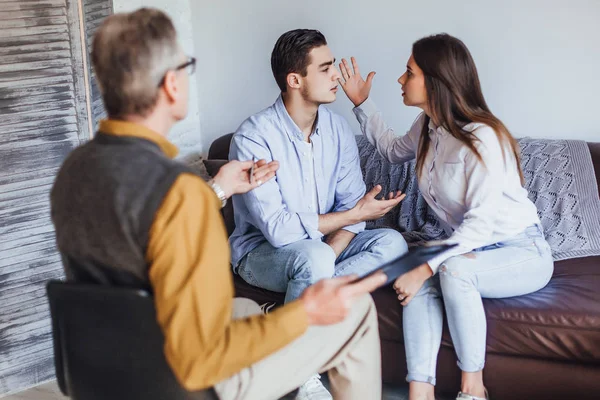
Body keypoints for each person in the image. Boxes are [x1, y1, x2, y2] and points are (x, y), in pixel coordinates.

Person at [50, 9, 388, 400]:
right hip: (188, 380)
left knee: (243, 307)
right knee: (358, 311)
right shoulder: (181, 193)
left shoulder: (73, 171)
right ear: (171, 86)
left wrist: (218, 191)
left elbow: (139, 247)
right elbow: (205, 355)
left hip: (103, 371)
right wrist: (304, 314)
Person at [338, 34, 554, 400]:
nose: (400, 80)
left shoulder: (484, 138)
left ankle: (473, 389)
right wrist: (361, 102)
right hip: (468, 248)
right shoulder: (426, 126)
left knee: (449, 270)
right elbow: (391, 151)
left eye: (409, 73)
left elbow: (480, 226)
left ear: (436, 81)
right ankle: (419, 392)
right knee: (426, 275)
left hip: (519, 249)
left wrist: (426, 267)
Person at [229, 28, 408, 307]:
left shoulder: (338, 128)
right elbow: (278, 230)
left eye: (333, 66)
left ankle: (298, 301)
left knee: (393, 243)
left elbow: (353, 209)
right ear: (294, 80)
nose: (336, 75)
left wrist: (331, 248)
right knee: (315, 257)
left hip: (322, 248)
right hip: (261, 254)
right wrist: (349, 218)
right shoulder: (254, 137)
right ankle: (297, 335)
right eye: (325, 69)